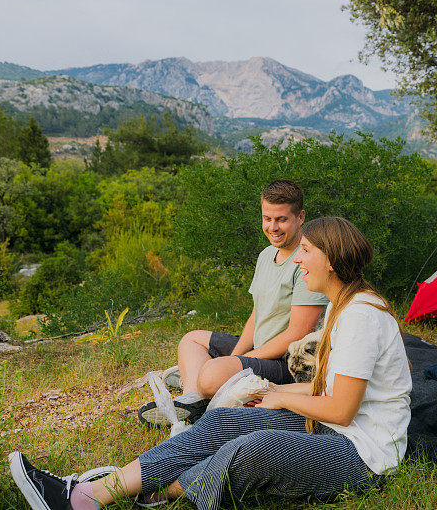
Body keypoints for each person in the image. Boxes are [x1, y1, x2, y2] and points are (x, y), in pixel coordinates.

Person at [9, 216, 412, 510]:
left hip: (364, 453)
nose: (297, 260)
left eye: (306, 251)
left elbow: (342, 408)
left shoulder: (360, 316)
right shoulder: (345, 308)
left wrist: (282, 399)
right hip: (335, 427)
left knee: (251, 449)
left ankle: (163, 491)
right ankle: (83, 496)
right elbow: (329, 387)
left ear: (333, 259)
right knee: (222, 422)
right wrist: (272, 392)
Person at [138, 179, 329, 427]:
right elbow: (256, 315)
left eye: (281, 219)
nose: (273, 227)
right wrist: (238, 356)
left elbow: (298, 333)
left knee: (212, 375)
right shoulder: (266, 255)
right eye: (267, 218)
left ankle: (200, 392)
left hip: (286, 364)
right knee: (191, 339)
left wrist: (238, 362)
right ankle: (193, 401)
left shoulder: (305, 260)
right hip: (260, 350)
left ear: (300, 217)